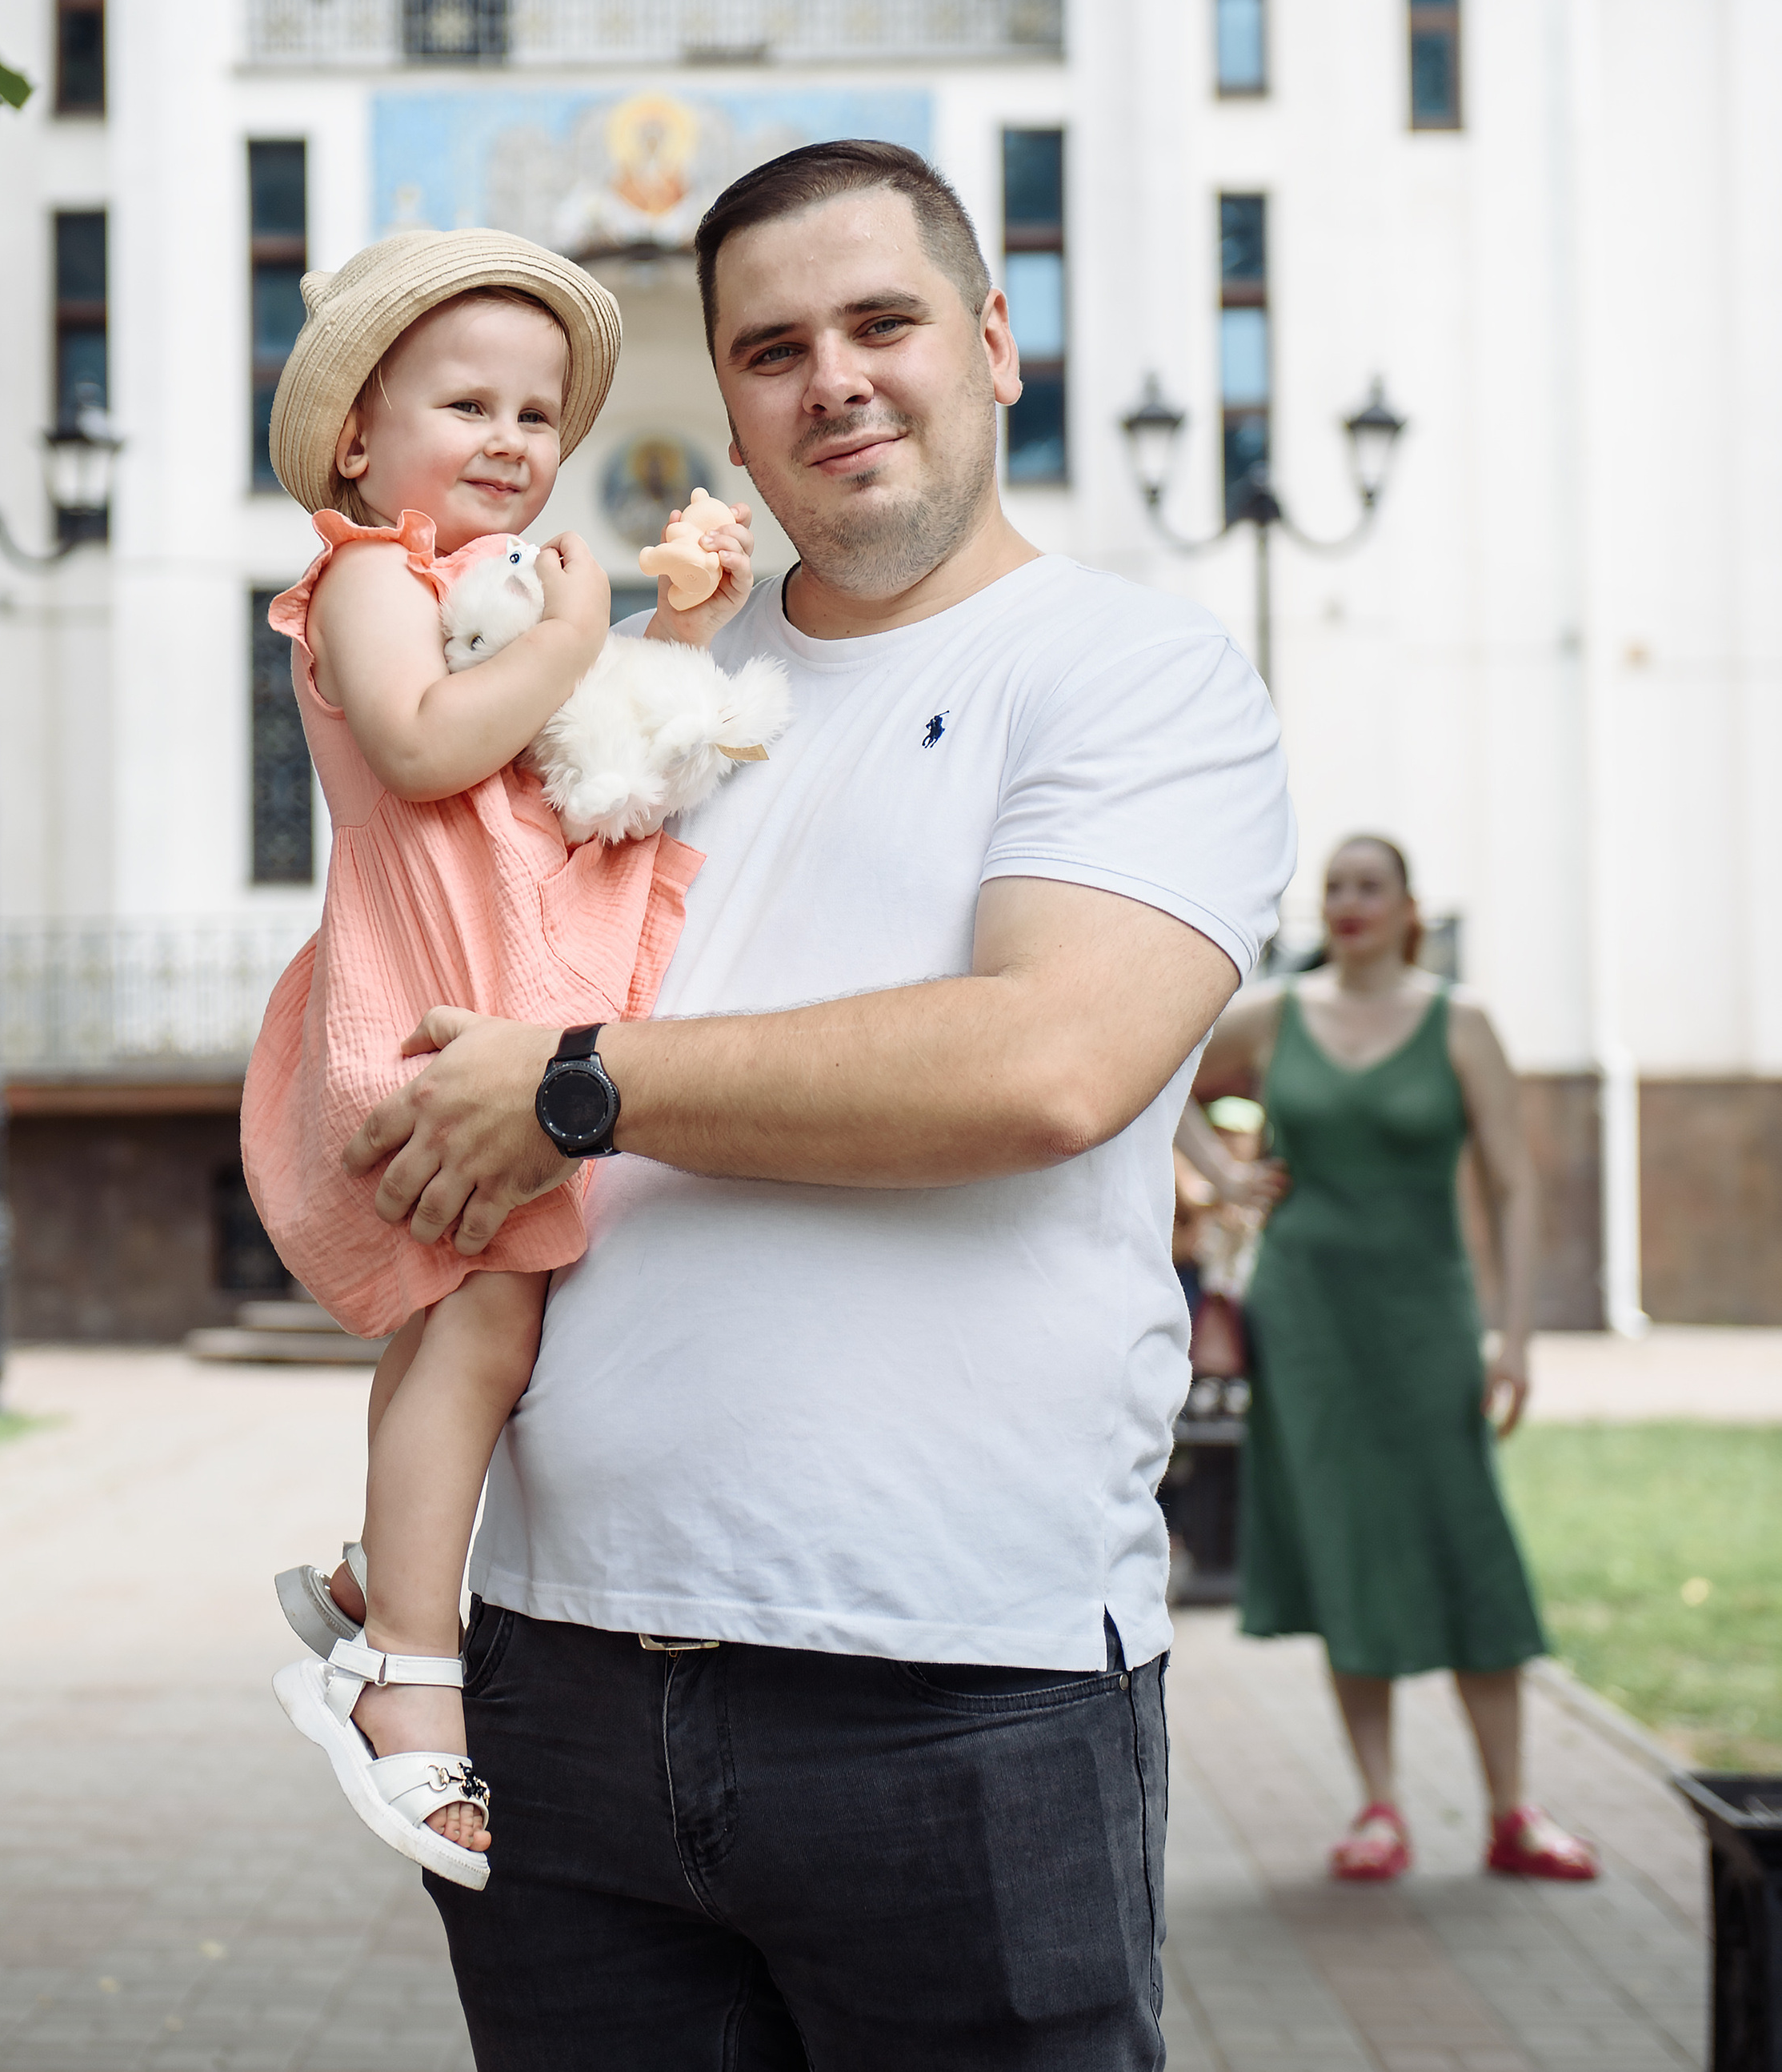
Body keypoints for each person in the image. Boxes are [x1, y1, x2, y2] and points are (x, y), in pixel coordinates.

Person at [342, 139, 1295, 2068]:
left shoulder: (1128, 675)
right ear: (730, 400)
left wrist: (580, 1090)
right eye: (771, 348)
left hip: (956, 1687)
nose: (832, 378)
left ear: (996, 342)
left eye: (883, 322)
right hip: (558, 1683)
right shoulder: (638, 695)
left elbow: (1047, 1064)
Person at [239, 230, 755, 1888]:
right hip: (430, 1011)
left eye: (538, 416)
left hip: (481, 986)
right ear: (356, 444)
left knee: (469, 1317)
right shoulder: (370, 573)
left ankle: (368, 1576)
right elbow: (424, 740)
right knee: (487, 1320)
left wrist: (664, 624)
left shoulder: (488, 587)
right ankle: (404, 1678)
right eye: (466, 402)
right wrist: (573, 627)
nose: (514, 442)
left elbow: (564, 760)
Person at [1195, 834, 1598, 1885]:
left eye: (1370, 885)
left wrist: (1514, 1337)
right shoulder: (1281, 1013)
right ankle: (1379, 1806)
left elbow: (1514, 1184)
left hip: (1425, 1314)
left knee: (1464, 1532)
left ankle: (1513, 1808)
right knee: (1346, 1538)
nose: (1349, 901)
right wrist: (1221, 1178)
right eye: (1334, 886)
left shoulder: (1459, 1023)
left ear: (1410, 905)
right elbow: (1160, 1069)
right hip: (1310, 1318)